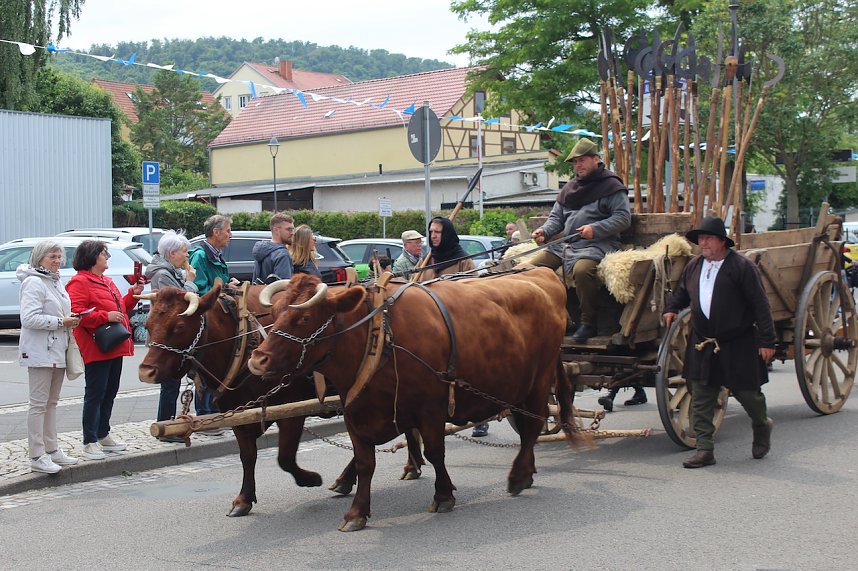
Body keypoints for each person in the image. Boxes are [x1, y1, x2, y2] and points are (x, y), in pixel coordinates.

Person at [663, 215, 776, 469]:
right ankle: (705, 449)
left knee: (749, 394)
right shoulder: (694, 266)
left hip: (737, 341)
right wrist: (671, 308)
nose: (703, 243)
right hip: (703, 342)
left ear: (722, 241)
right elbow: (683, 292)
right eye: (700, 239)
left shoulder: (742, 267)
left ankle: (761, 424)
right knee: (701, 395)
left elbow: (761, 306)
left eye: (708, 238)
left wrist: (768, 340)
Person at [530, 138, 631, 342]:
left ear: (596, 159)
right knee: (531, 269)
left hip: (598, 244)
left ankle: (588, 323)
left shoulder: (611, 186)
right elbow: (556, 219)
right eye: (575, 162)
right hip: (566, 245)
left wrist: (596, 229)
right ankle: (544, 316)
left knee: (582, 270)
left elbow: (622, 218)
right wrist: (544, 232)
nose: (578, 165)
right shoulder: (569, 189)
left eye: (582, 160)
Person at [66, 240, 144, 460]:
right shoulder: (79, 282)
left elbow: (119, 308)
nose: (107, 257)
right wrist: (104, 317)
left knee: (110, 391)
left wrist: (132, 294)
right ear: (92, 257)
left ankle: (103, 433)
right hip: (96, 345)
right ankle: (89, 440)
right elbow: (77, 314)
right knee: (95, 393)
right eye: (104, 253)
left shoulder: (106, 280)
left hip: (114, 344)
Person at [17, 241, 82, 473]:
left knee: (51, 403)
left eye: (58, 257)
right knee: (38, 404)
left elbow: (58, 312)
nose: (56, 261)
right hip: (39, 351)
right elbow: (29, 319)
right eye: (51, 257)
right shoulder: (34, 282)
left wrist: (71, 318)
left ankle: (52, 449)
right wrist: (60, 322)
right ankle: (36, 455)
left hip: (57, 349)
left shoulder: (55, 281)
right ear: (39, 258)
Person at [144, 230, 199, 442]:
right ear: (172, 252)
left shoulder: (169, 272)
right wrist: (191, 281)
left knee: (172, 384)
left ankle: (166, 424)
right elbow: (181, 300)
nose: (187, 256)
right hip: (166, 340)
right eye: (184, 252)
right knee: (170, 384)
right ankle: (165, 427)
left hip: (170, 339)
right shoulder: (163, 274)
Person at [188, 214, 240, 428]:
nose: (231, 234)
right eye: (228, 230)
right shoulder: (201, 256)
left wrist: (229, 284)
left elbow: (218, 283)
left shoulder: (216, 255)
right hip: (209, 321)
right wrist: (226, 289)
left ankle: (215, 411)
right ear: (216, 232)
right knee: (207, 365)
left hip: (221, 319)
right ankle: (205, 415)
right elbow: (201, 289)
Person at [252, 213, 295, 283]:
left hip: (259, 293)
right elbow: (284, 287)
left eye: (293, 229)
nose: (292, 233)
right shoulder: (283, 255)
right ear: (276, 230)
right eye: (289, 229)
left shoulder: (261, 250)